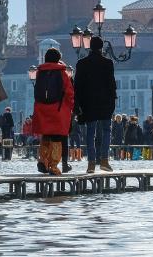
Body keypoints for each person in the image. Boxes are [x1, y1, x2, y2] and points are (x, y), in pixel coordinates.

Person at [74, 36, 117, 173]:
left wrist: (78, 104)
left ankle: (91, 163)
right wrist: (113, 100)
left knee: (90, 133)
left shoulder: (81, 63)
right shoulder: (108, 63)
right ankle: (104, 160)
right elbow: (111, 84)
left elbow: (77, 86)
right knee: (106, 131)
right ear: (101, 47)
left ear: (90, 46)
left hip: (88, 103)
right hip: (105, 102)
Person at [31, 48, 74, 176]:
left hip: (42, 109)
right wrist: (71, 107)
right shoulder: (62, 73)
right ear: (58, 58)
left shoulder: (40, 73)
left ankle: (43, 161)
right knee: (56, 138)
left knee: (46, 136)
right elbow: (69, 93)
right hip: (58, 110)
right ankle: (53, 166)